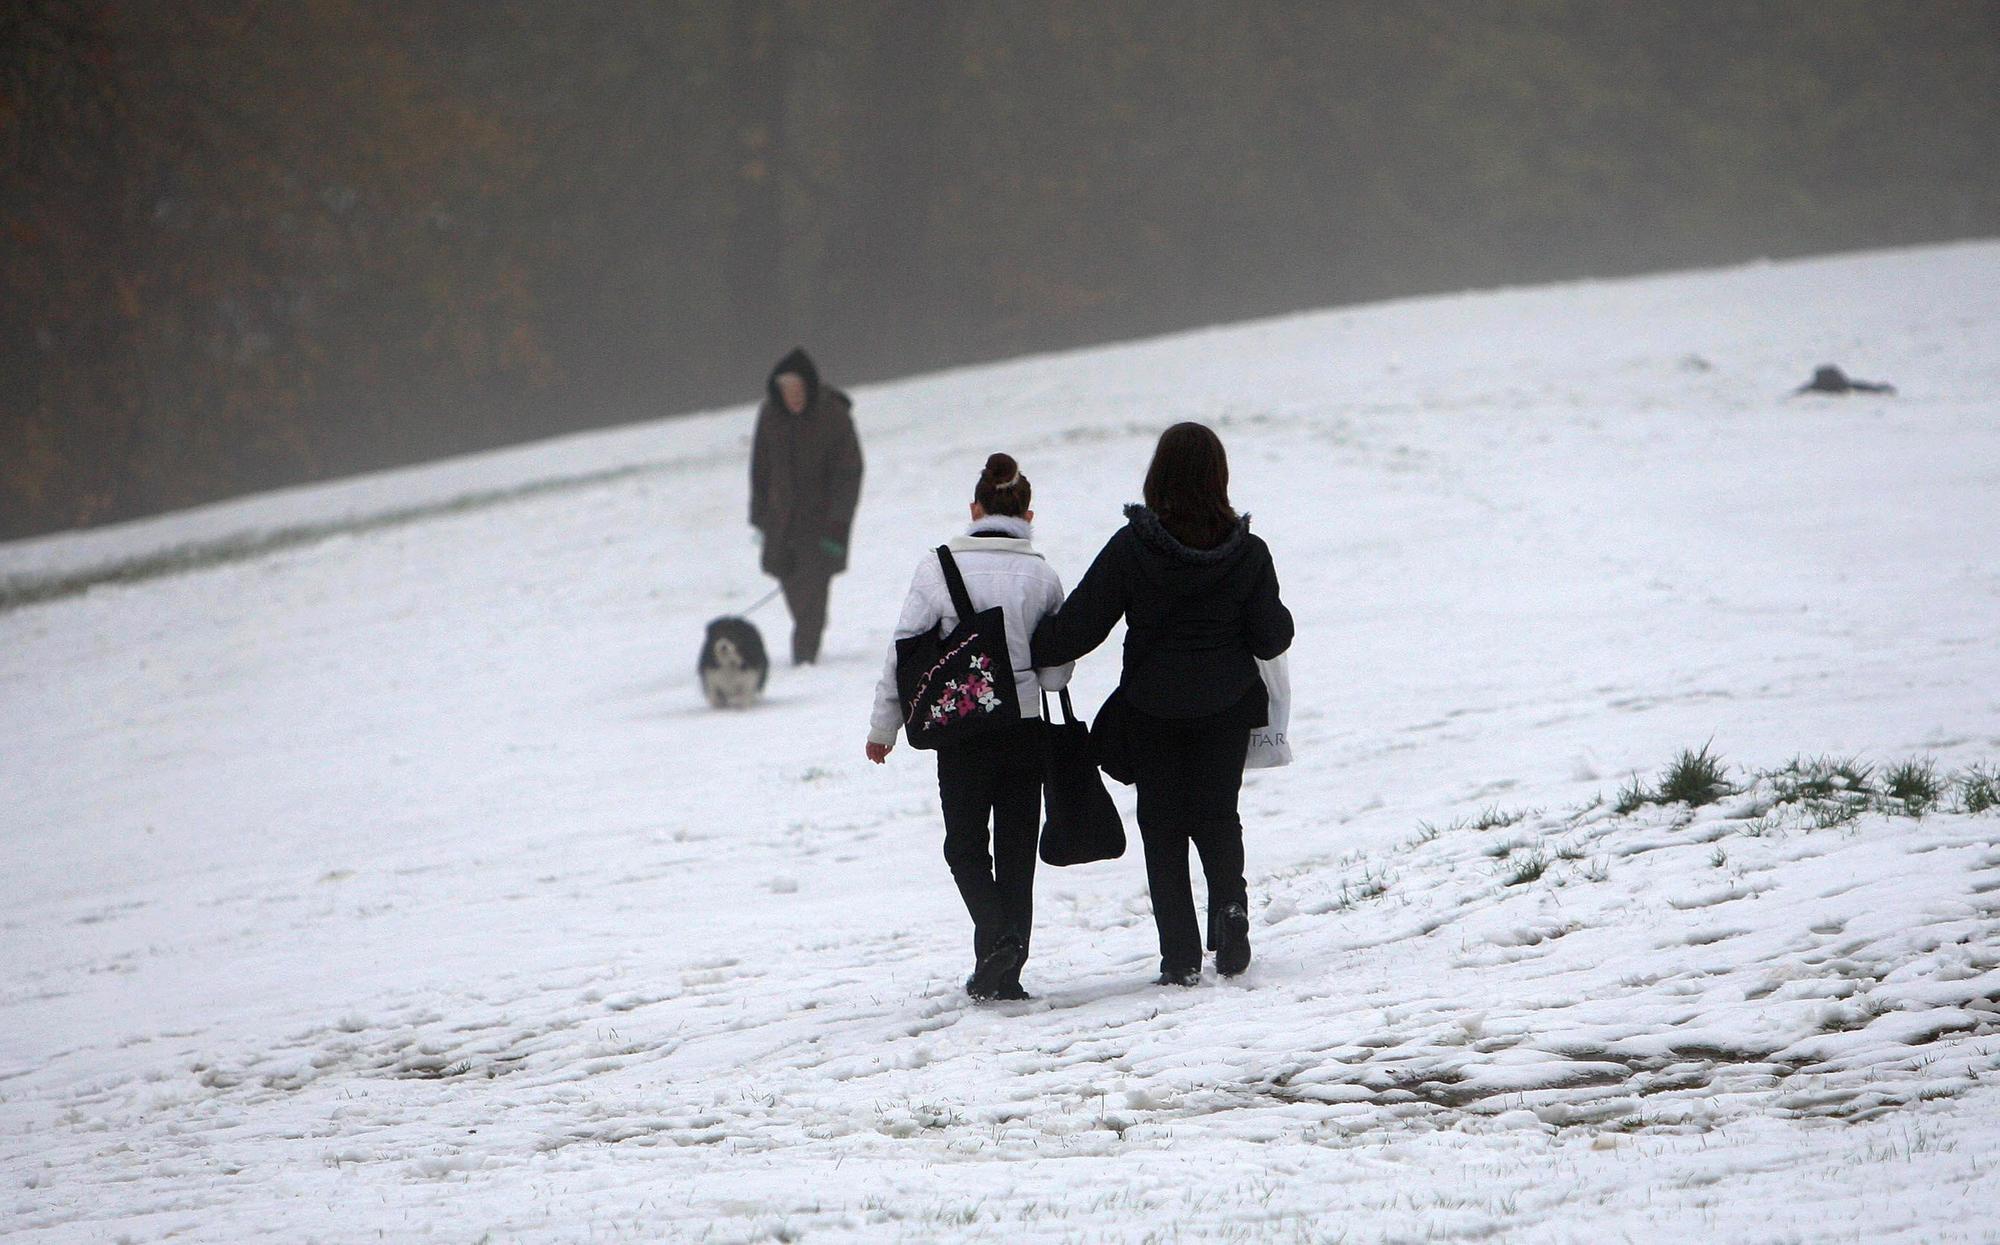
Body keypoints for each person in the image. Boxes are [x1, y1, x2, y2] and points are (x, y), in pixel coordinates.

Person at [1031, 423, 1293, 987]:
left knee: (1162, 827)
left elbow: (1082, 624)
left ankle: (1179, 956)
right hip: (1226, 708)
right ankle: (1229, 911)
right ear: (1219, 477)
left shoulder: (1134, 548)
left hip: (1153, 710)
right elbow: (1272, 637)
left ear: (1159, 476)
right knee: (1219, 816)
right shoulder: (1248, 553)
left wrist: (1029, 647)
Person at [866, 454, 1073, 1000]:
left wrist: (884, 726)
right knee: (1016, 849)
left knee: (964, 845)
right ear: (1028, 514)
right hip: (1025, 726)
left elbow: (903, 652)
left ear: (975, 508)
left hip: (962, 732)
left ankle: (995, 940)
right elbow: (1055, 674)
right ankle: (1007, 970)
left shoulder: (938, 566)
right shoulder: (1043, 574)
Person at [750, 347, 864, 665]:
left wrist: (839, 523)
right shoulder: (769, 416)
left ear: (810, 387)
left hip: (823, 522)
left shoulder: (833, 415)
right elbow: (759, 469)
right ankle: (806, 646)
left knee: (813, 589)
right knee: (792, 585)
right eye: (788, 391)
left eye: (799, 390)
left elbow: (849, 473)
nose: (794, 397)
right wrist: (759, 517)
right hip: (780, 522)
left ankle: (804, 659)